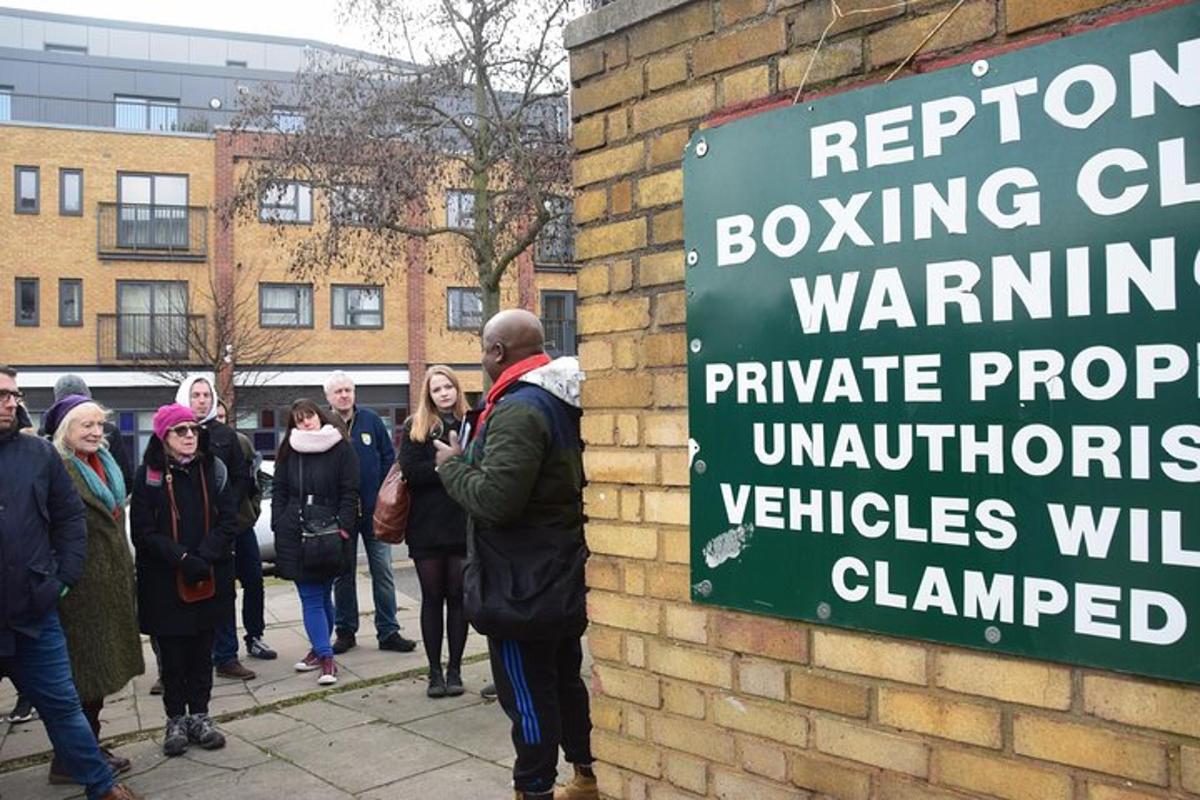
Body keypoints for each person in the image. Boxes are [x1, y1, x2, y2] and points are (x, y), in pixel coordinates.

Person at [434, 310, 596, 800]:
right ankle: (586, 776)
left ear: (497, 352)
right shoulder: (558, 400)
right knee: (566, 681)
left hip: (521, 583)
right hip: (558, 571)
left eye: (484, 348)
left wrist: (453, 465)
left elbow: (495, 501)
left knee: (528, 693)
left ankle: (534, 788)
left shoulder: (519, 409)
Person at [0, 365, 142, 800]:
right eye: (2, 395)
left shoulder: (36, 456)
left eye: (14, 395)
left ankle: (100, 785)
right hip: (55, 603)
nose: (10, 402)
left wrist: (59, 579)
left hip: (37, 606)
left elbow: (68, 523)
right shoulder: (56, 455)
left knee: (65, 702)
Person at [43, 396, 145, 783]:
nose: (94, 432)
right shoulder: (59, 468)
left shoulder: (104, 464)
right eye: (85, 425)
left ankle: (87, 747)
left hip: (110, 586)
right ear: (64, 431)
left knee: (99, 677)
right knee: (82, 677)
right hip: (80, 592)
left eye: (98, 424)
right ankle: (68, 762)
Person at [131, 404, 235, 757]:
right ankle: (176, 718)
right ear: (164, 436)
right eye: (181, 431)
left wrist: (203, 556)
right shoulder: (147, 475)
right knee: (172, 657)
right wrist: (182, 557)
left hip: (208, 575)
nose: (190, 436)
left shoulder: (213, 469)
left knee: (202, 653)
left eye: (193, 429)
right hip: (164, 582)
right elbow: (142, 532)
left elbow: (229, 521)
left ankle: (201, 716)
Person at [324, 371, 417, 655]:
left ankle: (388, 631)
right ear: (328, 396)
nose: (344, 395)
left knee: (384, 572)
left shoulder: (371, 421)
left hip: (375, 514)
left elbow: (390, 459)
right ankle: (345, 631)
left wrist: (385, 496)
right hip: (342, 515)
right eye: (338, 391)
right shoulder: (325, 425)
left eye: (348, 390)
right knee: (343, 576)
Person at [175, 375, 259, 681]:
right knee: (184, 594)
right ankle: (181, 661)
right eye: (195, 395)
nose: (201, 400)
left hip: (221, 528)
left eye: (206, 395)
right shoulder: (172, 431)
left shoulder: (226, 435)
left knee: (223, 593)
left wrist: (223, 510)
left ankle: (226, 656)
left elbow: (241, 479)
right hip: (184, 529)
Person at [272, 399, 359, 686]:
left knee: (323, 594)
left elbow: (350, 491)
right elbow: (280, 489)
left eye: (309, 416)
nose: (306, 422)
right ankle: (326, 657)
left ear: (320, 416)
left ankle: (318, 649)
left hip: (330, 531)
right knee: (310, 596)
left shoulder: (340, 448)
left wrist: (345, 527)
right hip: (295, 530)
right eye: (299, 419)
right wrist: (278, 522)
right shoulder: (289, 450)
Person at [399, 366, 470, 698]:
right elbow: (411, 472)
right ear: (428, 394)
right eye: (437, 389)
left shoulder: (470, 425)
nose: (444, 393)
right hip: (426, 526)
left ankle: (455, 670)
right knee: (432, 598)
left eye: (448, 387)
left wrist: (455, 463)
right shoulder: (416, 426)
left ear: (457, 389)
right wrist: (448, 464)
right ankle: (434, 672)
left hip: (461, 522)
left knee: (458, 599)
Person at [210, 399, 277, 670]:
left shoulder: (240, 442)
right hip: (215, 532)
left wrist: (252, 512)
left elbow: (255, 481)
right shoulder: (199, 440)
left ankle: (255, 636)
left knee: (254, 581)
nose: (220, 419)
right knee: (222, 590)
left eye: (223, 415)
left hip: (242, 527)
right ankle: (222, 647)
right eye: (216, 415)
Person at [48, 374, 134, 490]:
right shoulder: (51, 462)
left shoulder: (106, 452)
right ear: (65, 428)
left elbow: (125, 479)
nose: (97, 433)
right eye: (87, 425)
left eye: (100, 424)